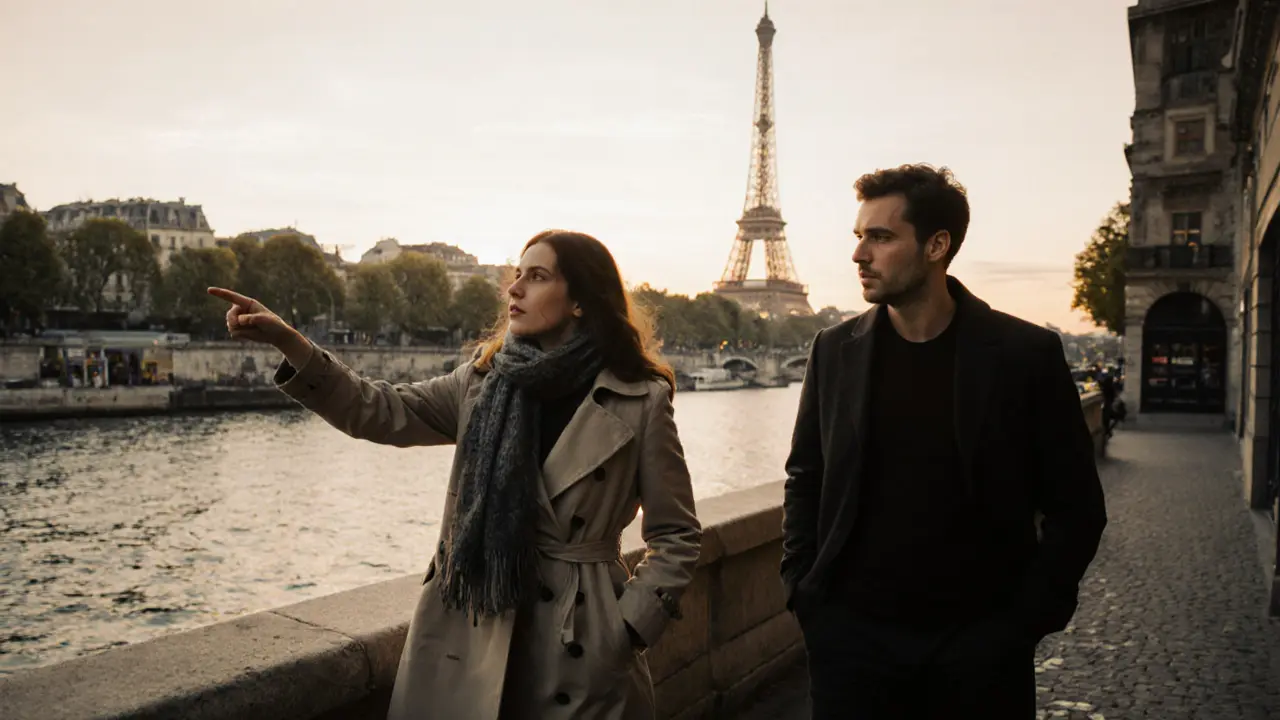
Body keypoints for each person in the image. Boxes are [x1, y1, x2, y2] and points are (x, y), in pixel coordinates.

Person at [208, 230, 702, 720]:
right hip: (474, 627)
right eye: (516, 276)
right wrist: (290, 342)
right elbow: (375, 408)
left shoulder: (640, 400)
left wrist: (627, 628)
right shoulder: (481, 384)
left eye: (537, 277)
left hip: (583, 646)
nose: (514, 289)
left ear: (579, 301)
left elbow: (676, 534)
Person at [780, 164, 1107, 719]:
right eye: (859, 237)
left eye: (880, 237)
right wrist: (807, 595)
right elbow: (806, 478)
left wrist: (1023, 622)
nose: (859, 254)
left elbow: (1077, 507)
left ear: (937, 245)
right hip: (853, 649)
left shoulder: (1024, 354)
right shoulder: (833, 350)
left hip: (978, 651)